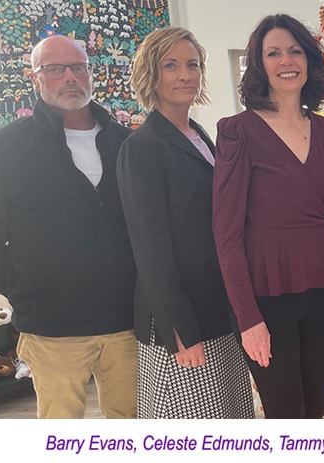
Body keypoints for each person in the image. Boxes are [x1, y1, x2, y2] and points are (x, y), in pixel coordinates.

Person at [0, 35, 137, 418]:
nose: (70, 77)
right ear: (35, 78)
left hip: (129, 321)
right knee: (62, 431)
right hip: (52, 326)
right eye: (55, 69)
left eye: (79, 67)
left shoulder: (128, 143)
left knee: (131, 426)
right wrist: (24, 287)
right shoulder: (1, 151)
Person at [212, 13, 324, 419]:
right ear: (259, 64)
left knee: (313, 411)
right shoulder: (237, 130)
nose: (286, 61)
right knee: (285, 415)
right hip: (266, 299)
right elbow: (226, 235)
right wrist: (248, 320)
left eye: (295, 51)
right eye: (273, 53)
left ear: (309, 60)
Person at [117, 27, 254, 419]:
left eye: (192, 65)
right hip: (180, 321)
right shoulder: (141, 147)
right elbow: (150, 250)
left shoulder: (199, 137)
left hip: (216, 307)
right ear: (151, 75)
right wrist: (180, 329)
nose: (185, 75)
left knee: (229, 419)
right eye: (171, 65)